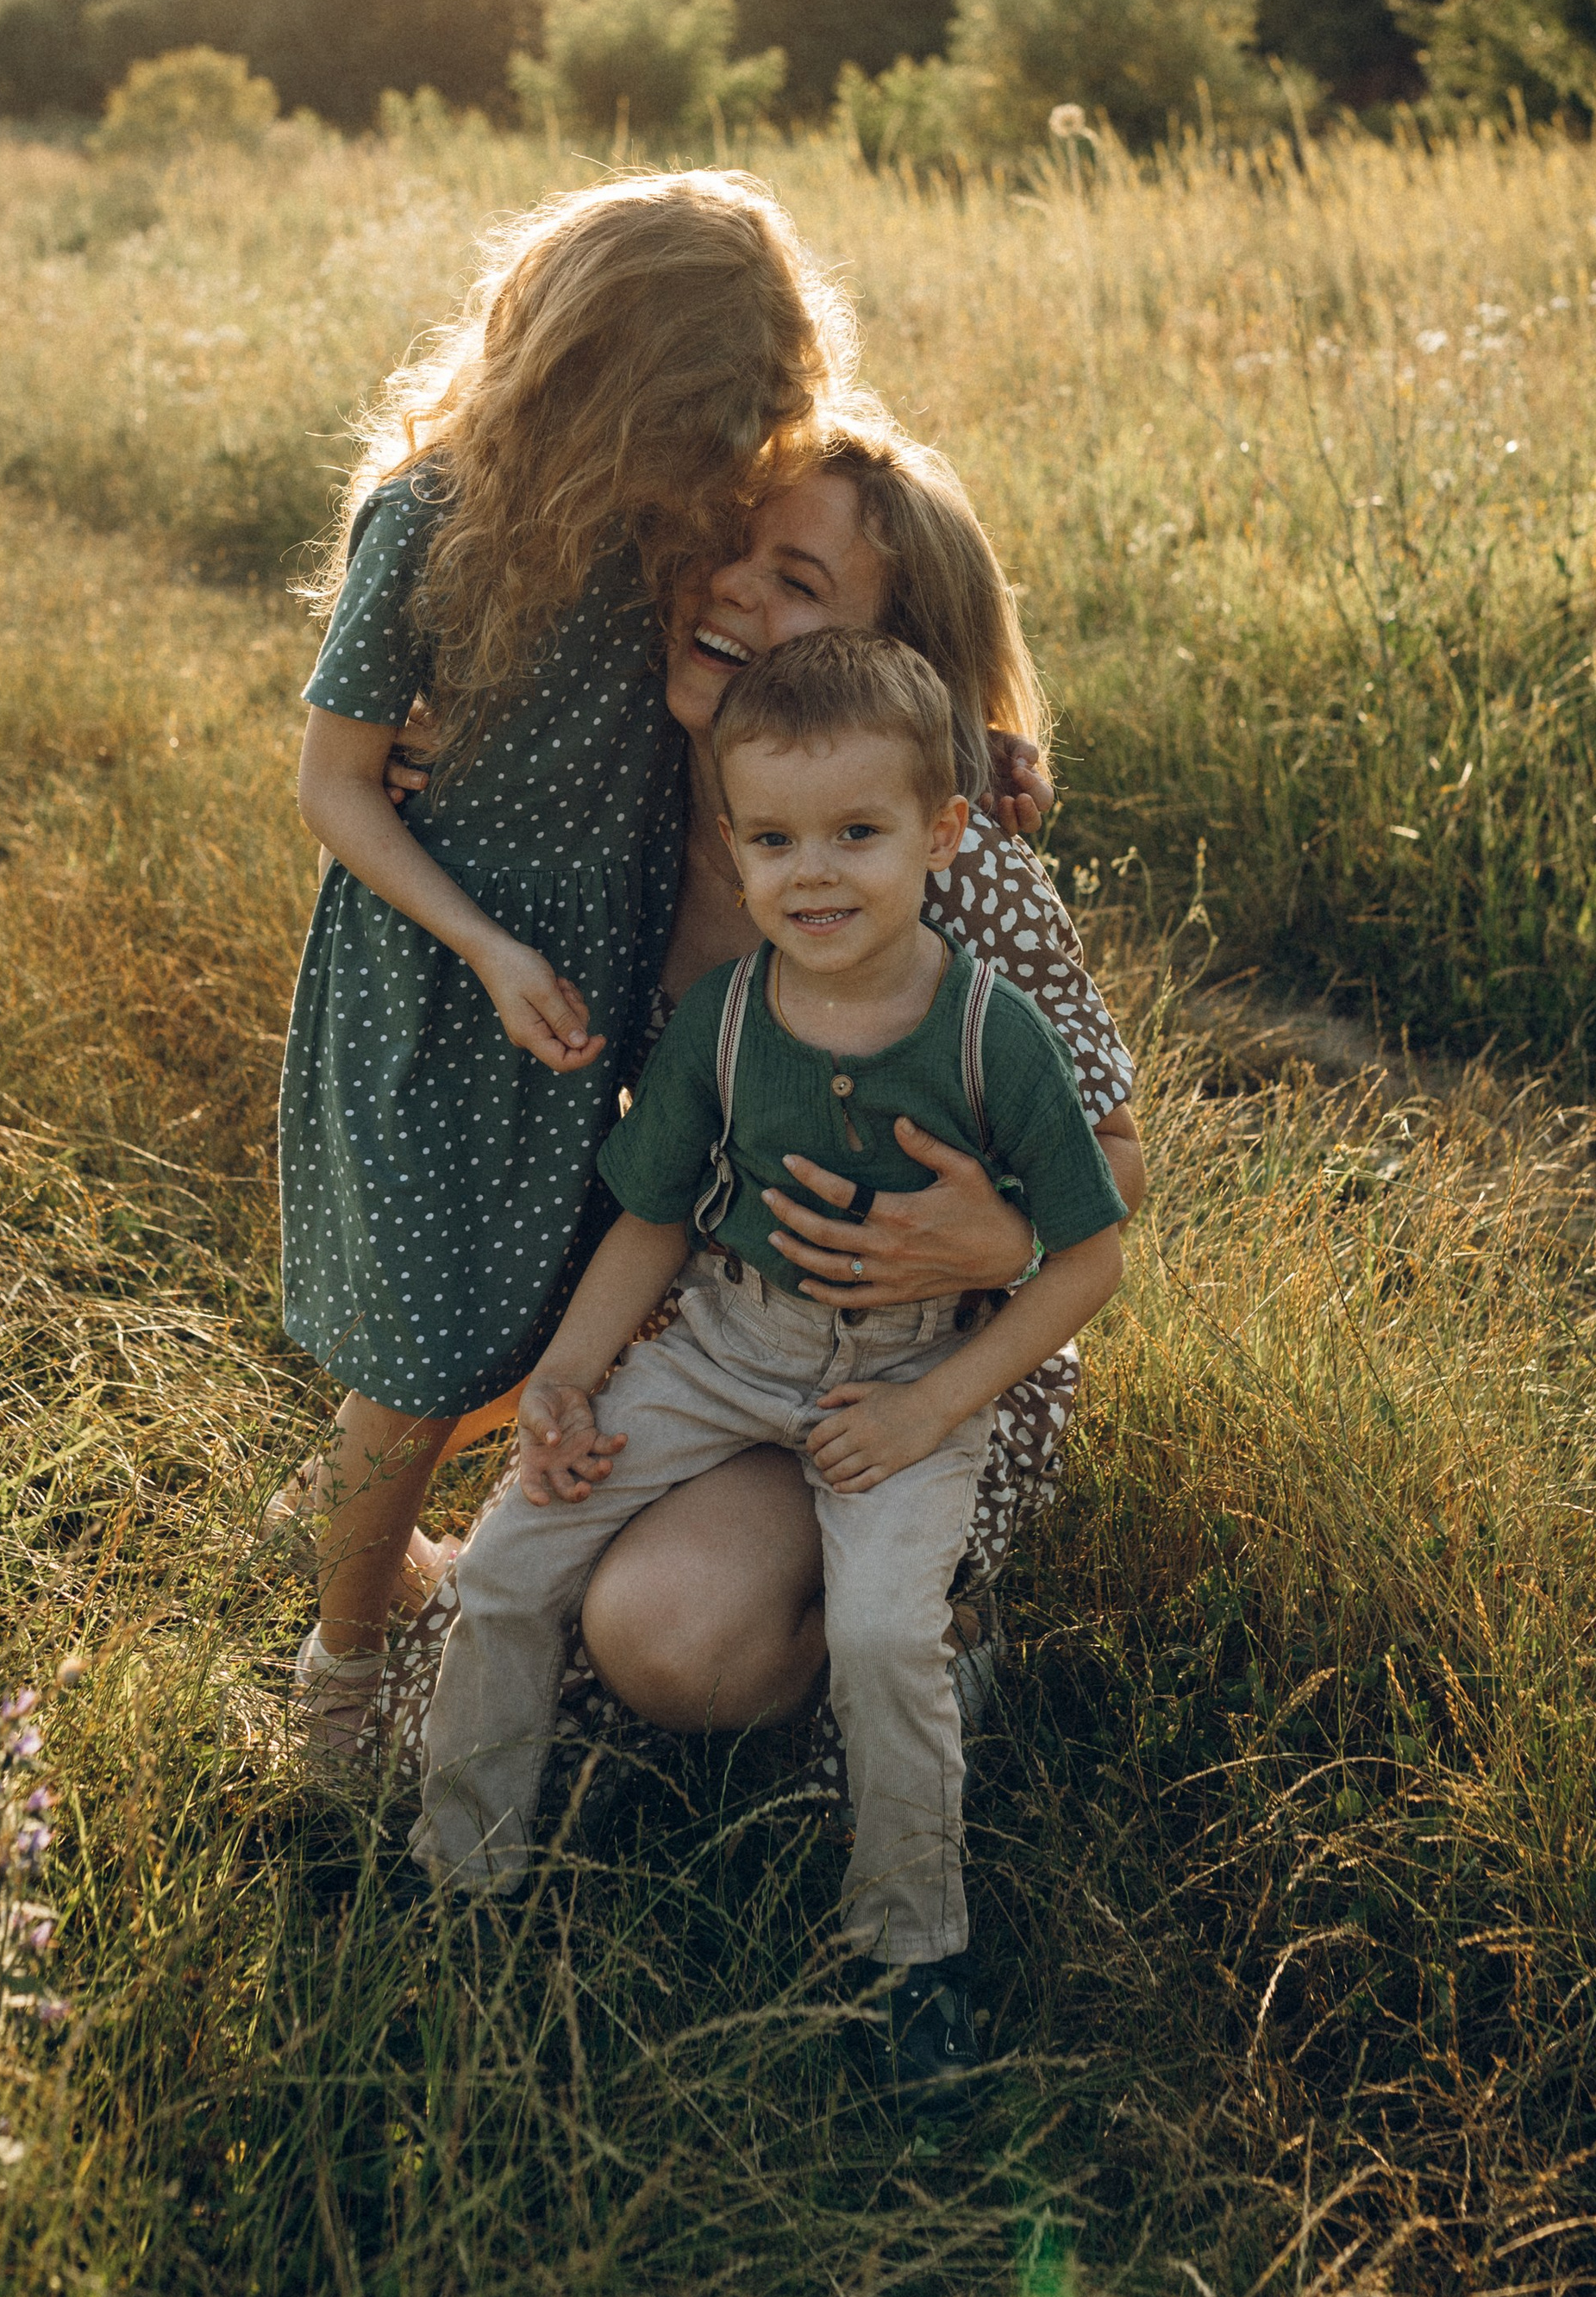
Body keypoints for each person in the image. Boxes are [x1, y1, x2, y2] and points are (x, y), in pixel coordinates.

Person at [370, 423, 1144, 1779]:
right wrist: (430, 746)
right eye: (727, 551)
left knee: (665, 1640)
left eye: (796, 582)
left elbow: (1118, 1172)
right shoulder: (618, 803)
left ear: (886, 667)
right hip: (704, 1329)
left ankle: (917, 1635)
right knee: (460, 1722)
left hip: (928, 1364)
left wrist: (1002, 1233)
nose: (735, 589)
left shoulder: (956, 884)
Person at [417, 631, 1127, 2103]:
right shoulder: (728, 1022)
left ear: (941, 834)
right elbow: (655, 1219)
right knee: (507, 1562)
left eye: (859, 836)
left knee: (882, 1639)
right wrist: (565, 1378)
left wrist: (937, 1404)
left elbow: (1090, 1258)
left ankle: (910, 1956)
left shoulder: (994, 1036)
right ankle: (463, 1878)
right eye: (777, 840)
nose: (817, 876)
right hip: (727, 1343)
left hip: (907, 1378)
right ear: (734, 847)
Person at [277, 169, 852, 1764]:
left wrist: (990, 739)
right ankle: (339, 1674)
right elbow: (334, 781)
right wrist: (479, 934)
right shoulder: (432, 519)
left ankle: (376, 1518)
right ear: (599, 370)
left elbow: (854, 595)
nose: (711, 472)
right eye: (691, 428)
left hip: (599, 993)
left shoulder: (674, 534)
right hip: (437, 994)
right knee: (418, 1349)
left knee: (545, 1308)